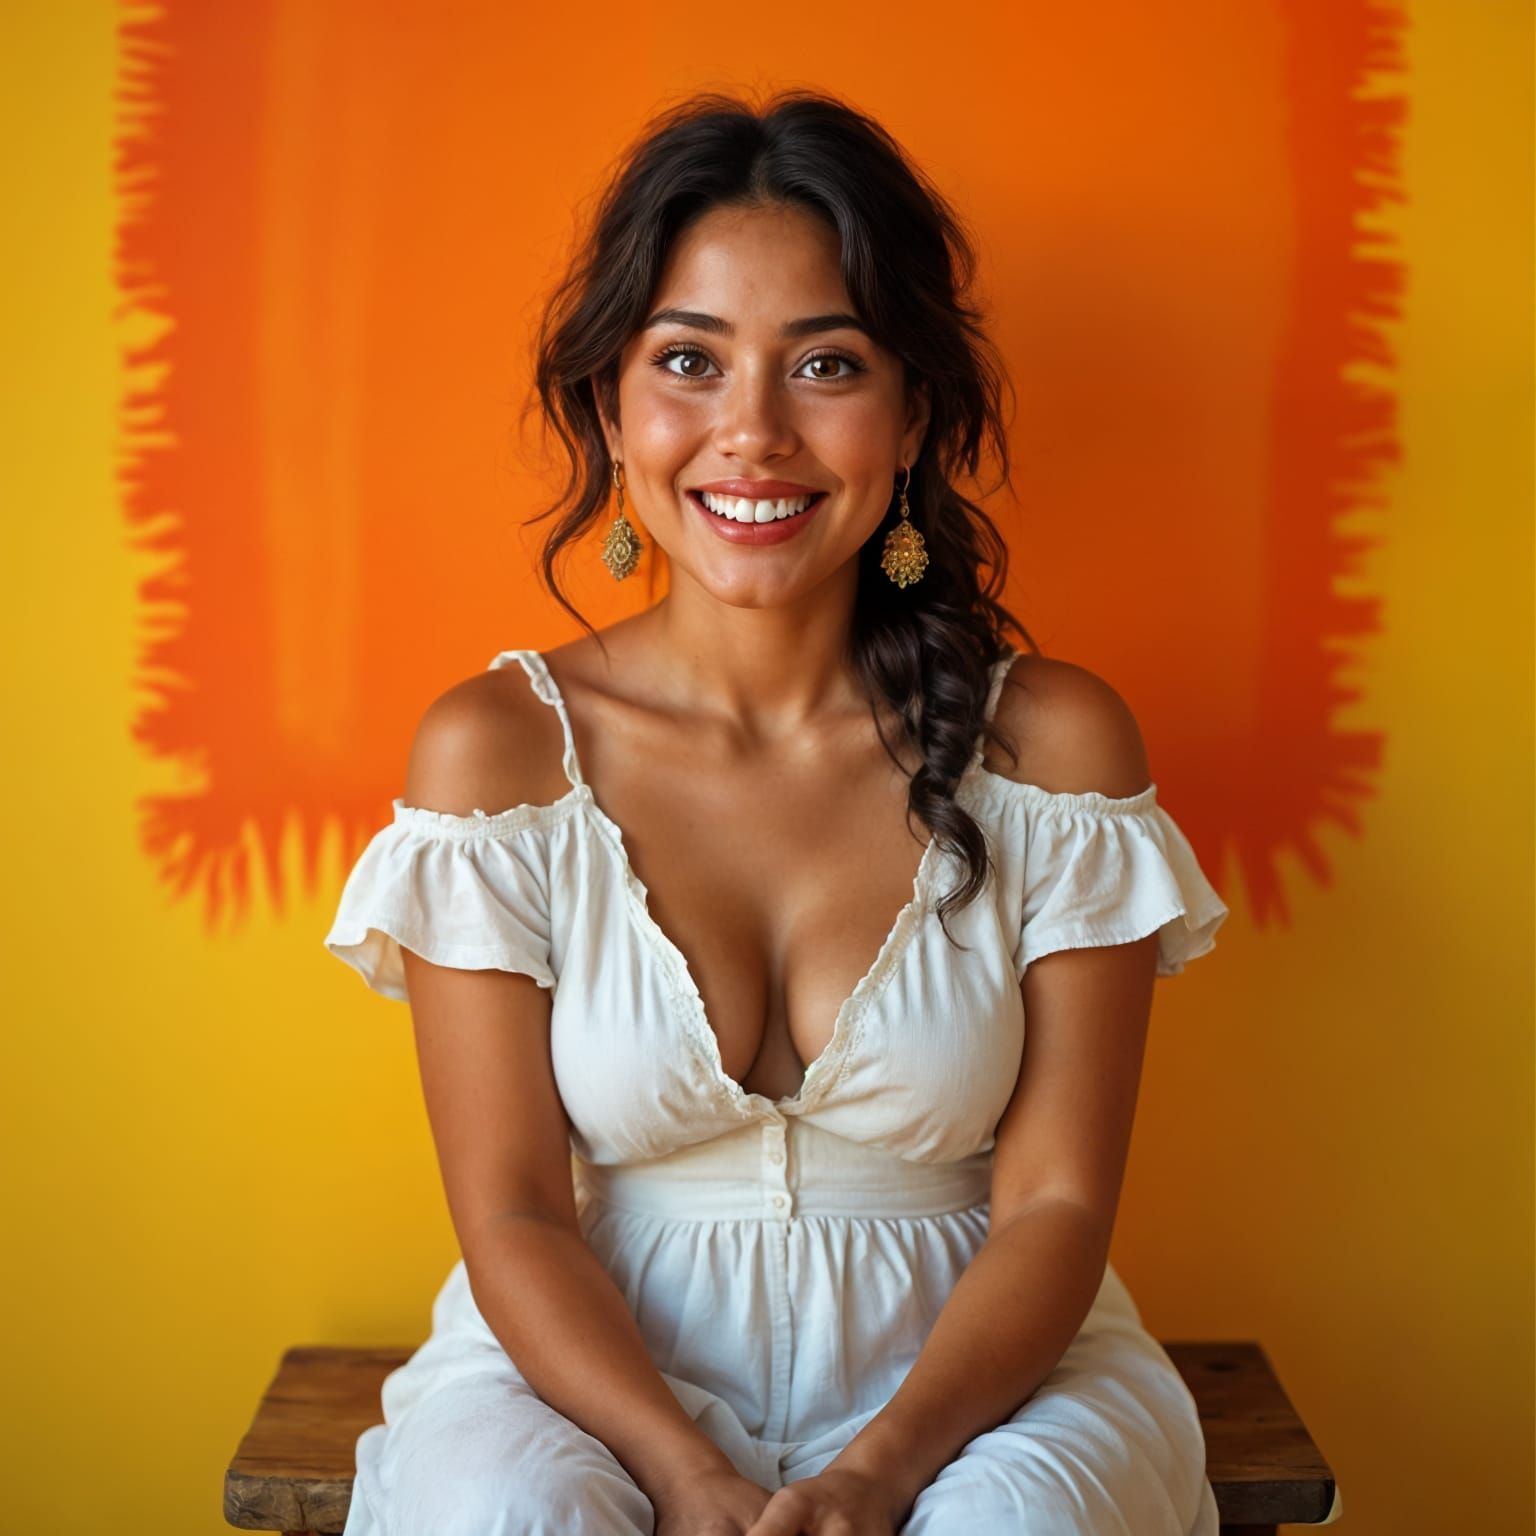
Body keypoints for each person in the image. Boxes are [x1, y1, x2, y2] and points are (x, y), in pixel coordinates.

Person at [325, 88, 1230, 1536]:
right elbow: (510, 1215)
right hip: (595, 1372)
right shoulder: (502, 758)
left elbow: (1057, 1207)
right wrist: (681, 1476)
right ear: (613, 407)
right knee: (508, 1516)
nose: (751, 435)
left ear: (914, 414)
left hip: (981, 1373)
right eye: (690, 360)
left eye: (826, 365)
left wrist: (882, 1470)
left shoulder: (1051, 746)